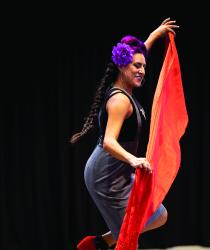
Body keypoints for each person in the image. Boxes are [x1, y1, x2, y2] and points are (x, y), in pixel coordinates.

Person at [70, 17, 179, 250]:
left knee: (158, 214)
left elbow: (138, 56)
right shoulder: (120, 100)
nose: (142, 71)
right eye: (136, 66)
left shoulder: (126, 89)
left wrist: (153, 36)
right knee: (129, 241)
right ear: (122, 65)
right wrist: (134, 160)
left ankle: (101, 243)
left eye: (144, 66)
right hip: (105, 177)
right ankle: (112, 240)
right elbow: (109, 141)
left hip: (118, 171)